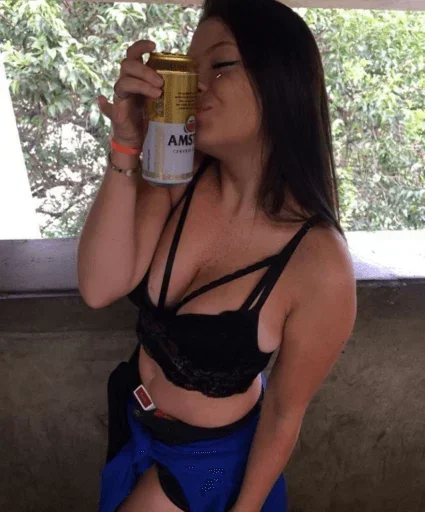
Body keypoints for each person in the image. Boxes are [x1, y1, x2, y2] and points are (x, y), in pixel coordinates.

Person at [77, 0, 357, 510]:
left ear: (282, 81)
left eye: (221, 64)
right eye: (189, 70)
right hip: (138, 432)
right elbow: (99, 287)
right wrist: (125, 144)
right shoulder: (180, 178)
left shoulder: (318, 263)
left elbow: (284, 412)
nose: (195, 85)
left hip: (211, 467)